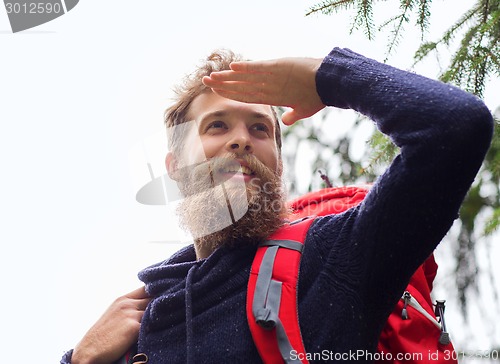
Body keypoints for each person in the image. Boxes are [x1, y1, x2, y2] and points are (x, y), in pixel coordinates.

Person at [62, 46, 493, 364]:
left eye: (259, 129)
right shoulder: (134, 330)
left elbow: (455, 126)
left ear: (279, 167)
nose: (241, 139)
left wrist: (328, 76)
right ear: (174, 166)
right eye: (217, 125)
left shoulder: (333, 258)